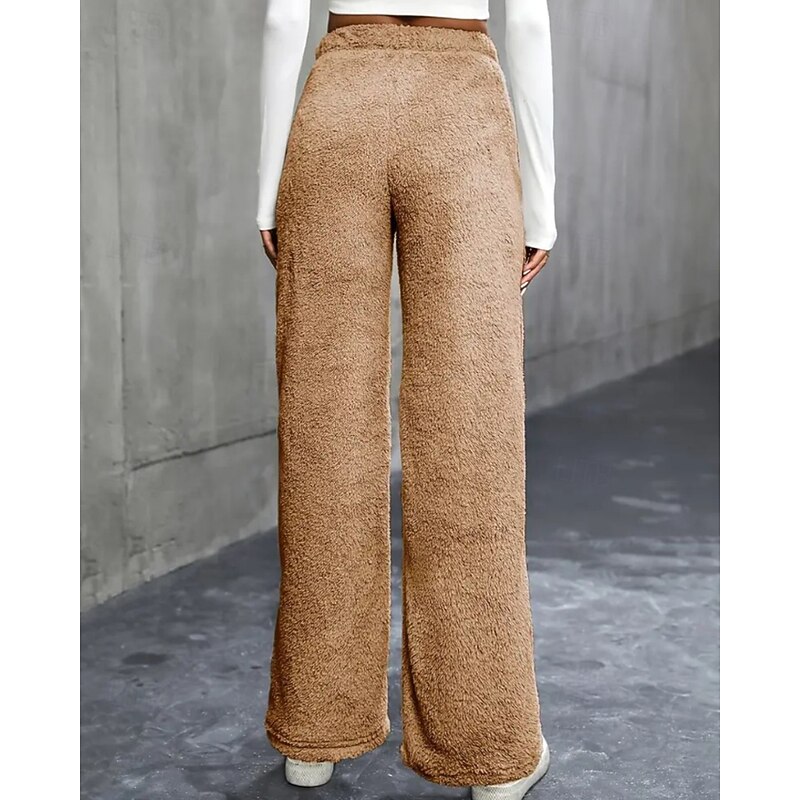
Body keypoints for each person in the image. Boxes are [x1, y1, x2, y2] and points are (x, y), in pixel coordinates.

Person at [256, 2, 556, 798]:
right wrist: (542, 202)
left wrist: (267, 188)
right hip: (461, 112)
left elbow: (283, 21)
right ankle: (490, 749)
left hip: (338, 108)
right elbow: (527, 25)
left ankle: (313, 733)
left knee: (323, 428)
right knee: (471, 427)